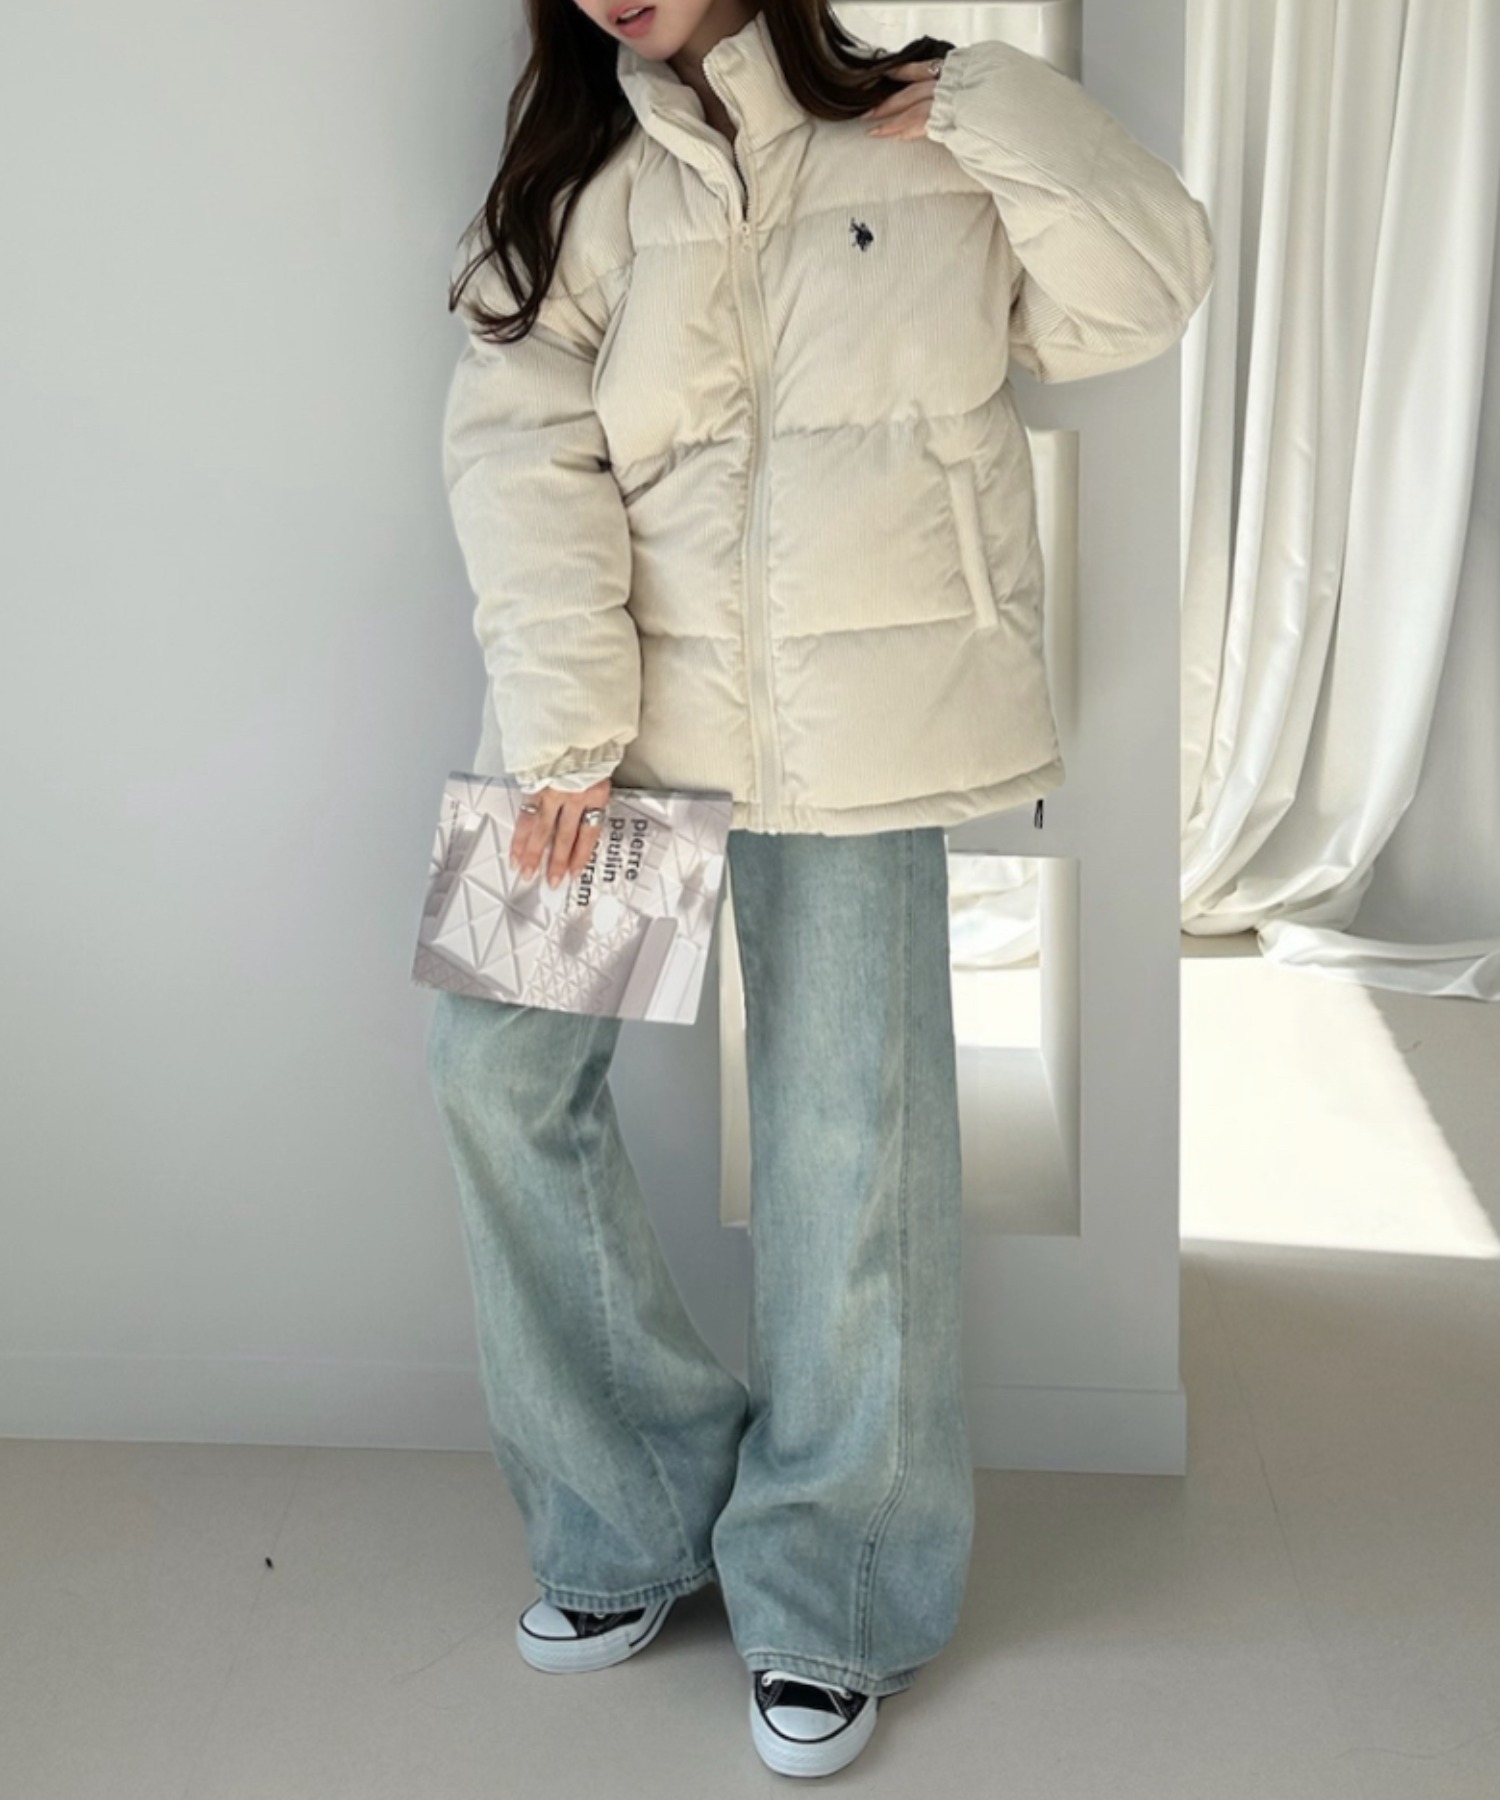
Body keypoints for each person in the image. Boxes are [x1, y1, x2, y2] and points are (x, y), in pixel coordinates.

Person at [425, 0, 1214, 1777]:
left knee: (852, 1149)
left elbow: (1148, 292)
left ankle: (835, 1586)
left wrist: (1001, 106)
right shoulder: (576, 178)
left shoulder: (932, 136)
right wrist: (565, 733)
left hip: (867, 730)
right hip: (604, 732)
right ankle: (632, 1507)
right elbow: (514, 450)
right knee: (495, 1071)